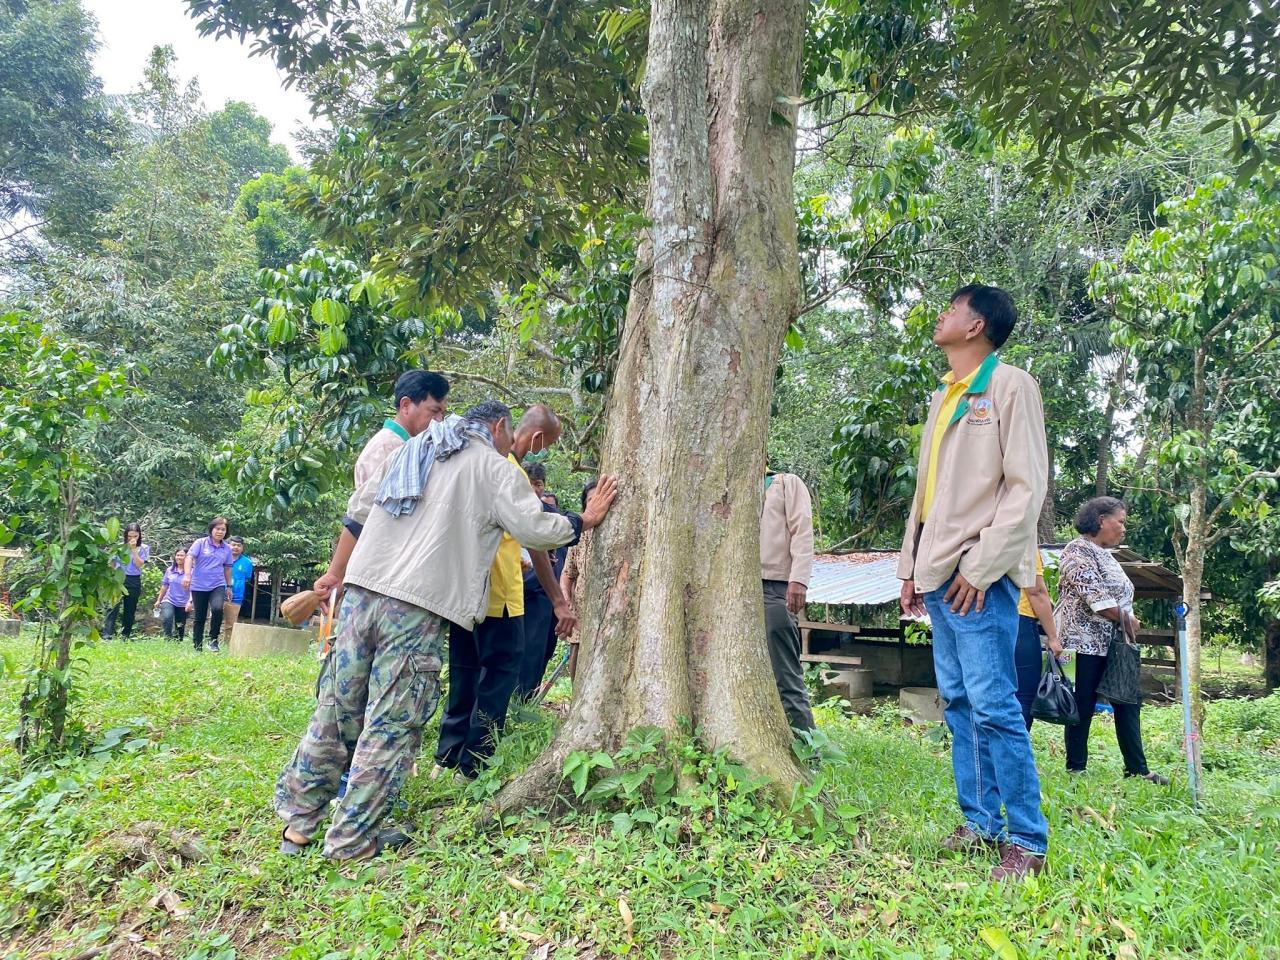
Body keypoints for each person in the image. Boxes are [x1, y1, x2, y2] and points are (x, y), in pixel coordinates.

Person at [273, 400, 618, 861]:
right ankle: (351, 841)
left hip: (361, 591)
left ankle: (300, 824)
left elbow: (358, 513)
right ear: (498, 428)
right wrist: (584, 520)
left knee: (337, 707)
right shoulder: (491, 468)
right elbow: (535, 528)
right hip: (413, 608)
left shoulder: (414, 448)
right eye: (507, 436)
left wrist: (337, 574)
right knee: (391, 722)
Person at [897, 284, 1050, 880]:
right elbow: (925, 495)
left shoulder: (1011, 385)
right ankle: (981, 824)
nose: (941, 314)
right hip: (939, 572)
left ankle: (1028, 842)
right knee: (959, 702)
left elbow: (1024, 488)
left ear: (976, 325)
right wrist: (910, 568)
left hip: (977, 575)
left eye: (951, 306)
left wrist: (981, 565)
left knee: (993, 705)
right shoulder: (945, 397)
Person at [434, 404, 575, 777]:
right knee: (497, 678)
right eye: (549, 445)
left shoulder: (471, 468)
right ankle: (476, 764)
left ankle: (447, 755)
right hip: (499, 595)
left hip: (464, 594)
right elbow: (537, 542)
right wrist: (559, 600)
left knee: (464, 674)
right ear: (539, 438)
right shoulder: (508, 471)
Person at [1055, 497, 1167, 784]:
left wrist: (1126, 621)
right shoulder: (1076, 551)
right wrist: (1129, 620)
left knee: (1128, 701)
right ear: (1101, 519)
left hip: (1115, 644)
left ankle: (1138, 770)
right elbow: (1098, 601)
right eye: (1121, 521)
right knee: (1083, 704)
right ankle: (1076, 767)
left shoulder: (1107, 554)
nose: (1123, 528)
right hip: (1082, 643)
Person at [313, 370, 450, 602]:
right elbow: (363, 517)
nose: (439, 422)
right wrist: (337, 573)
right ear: (406, 405)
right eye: (434, 411)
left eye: (443, 414)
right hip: (379, 578)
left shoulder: (409, 447)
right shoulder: (389, 448)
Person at [760, 468, 816, 732]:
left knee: (785, 674)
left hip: (775, 586)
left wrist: (798, 580)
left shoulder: (785, 483)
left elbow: (802, 530)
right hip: (741, 589)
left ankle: (808, 746)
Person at [513, 462, 569, 700]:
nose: (534, 489)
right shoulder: (511, 513)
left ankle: (526, 701)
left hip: (547, 598)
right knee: (520, 653)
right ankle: (515, 702)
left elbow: (564, 556)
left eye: (538, 484)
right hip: (519, 595)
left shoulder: (553, 518)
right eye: (530, 483)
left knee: (541, 651)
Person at [1014, 552, 1064, 729]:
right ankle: (1016, 753)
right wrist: (1053, 637)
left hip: (981, 618)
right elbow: (1036, 591)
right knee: (1023, 696)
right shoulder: (1022, 537)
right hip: (1019, 619)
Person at [558, 478, 599, 685]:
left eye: (597, 499)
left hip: (606, 609)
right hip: (580, 607)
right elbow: (568, 573)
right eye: (590, 500)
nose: (594, 503)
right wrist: (566, 597)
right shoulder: (580, 536)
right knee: (577, 652)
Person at [184, 518, 233, 653]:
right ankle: (197, 646)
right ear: (211, 529)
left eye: (223, 529)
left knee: (217, 609)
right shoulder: (200, 543)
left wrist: (229, 586)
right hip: (199, 585)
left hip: (217, 584)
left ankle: (213, 640)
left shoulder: (227, 548)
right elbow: (189, 558)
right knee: (200, 616)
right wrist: (187, 575)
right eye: (217, 529)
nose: (220, 532)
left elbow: (227, 568)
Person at [104, 522, 150, 640]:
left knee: (130, 609)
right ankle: (107, 635)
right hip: (119, 578)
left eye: (135, 536)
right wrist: (113, 570)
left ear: (139, 535)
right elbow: (111, 562)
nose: (132, 538)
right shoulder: (120, 546)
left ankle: (125, 636)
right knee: (112, 607)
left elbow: (139, 564)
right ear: (125, 535)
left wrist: (134, 550)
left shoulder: (144, 548)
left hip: (133, 579)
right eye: (129, 536)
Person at [153, 549, 192, 642]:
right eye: (177, 555)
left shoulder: (192, 572)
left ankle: (178, 641)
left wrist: (190, 601)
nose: (179, 557)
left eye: (182, 555)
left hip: (184, 602)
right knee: (167, 617)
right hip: (169, 599)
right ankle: (167, 639)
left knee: (180, 624)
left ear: (187, 558)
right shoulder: (170, 570)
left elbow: (194, 589)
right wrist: (159, 600)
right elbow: (165, 586)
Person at [222, 536, 255, 643]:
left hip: (236, 596)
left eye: (239, 545)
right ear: (228, 546)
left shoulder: (247, 563)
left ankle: (227, 645)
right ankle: (212, 641)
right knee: (214, 620)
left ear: (242, 547)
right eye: (233, 545)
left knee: (231, 623)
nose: (236, 547)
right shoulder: (221, 558)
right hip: (217, 593)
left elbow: (247, 578)